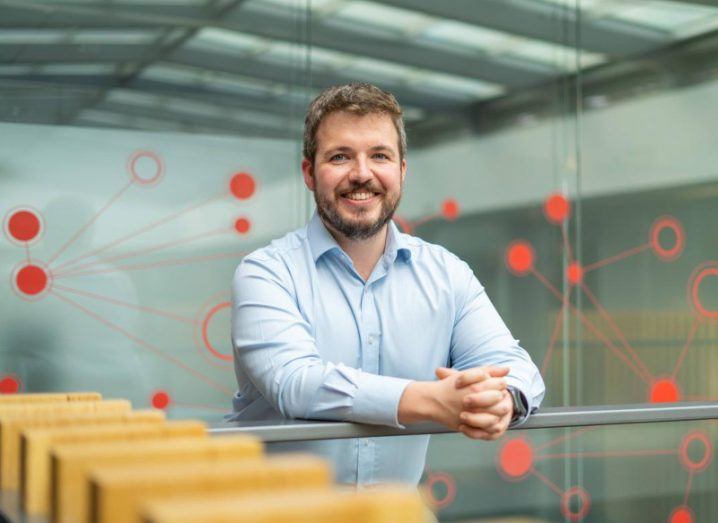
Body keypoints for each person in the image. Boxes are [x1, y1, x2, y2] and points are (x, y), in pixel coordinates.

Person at [228, 83, 545, 485]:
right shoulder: (266, 273)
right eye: (340, 156)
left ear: (401, 170)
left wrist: (501, 400)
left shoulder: (447, 274)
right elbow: (296, 383)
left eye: (379, 155)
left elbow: (517, 367)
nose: (362, 174)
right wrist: (432, 401)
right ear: (309, 172)